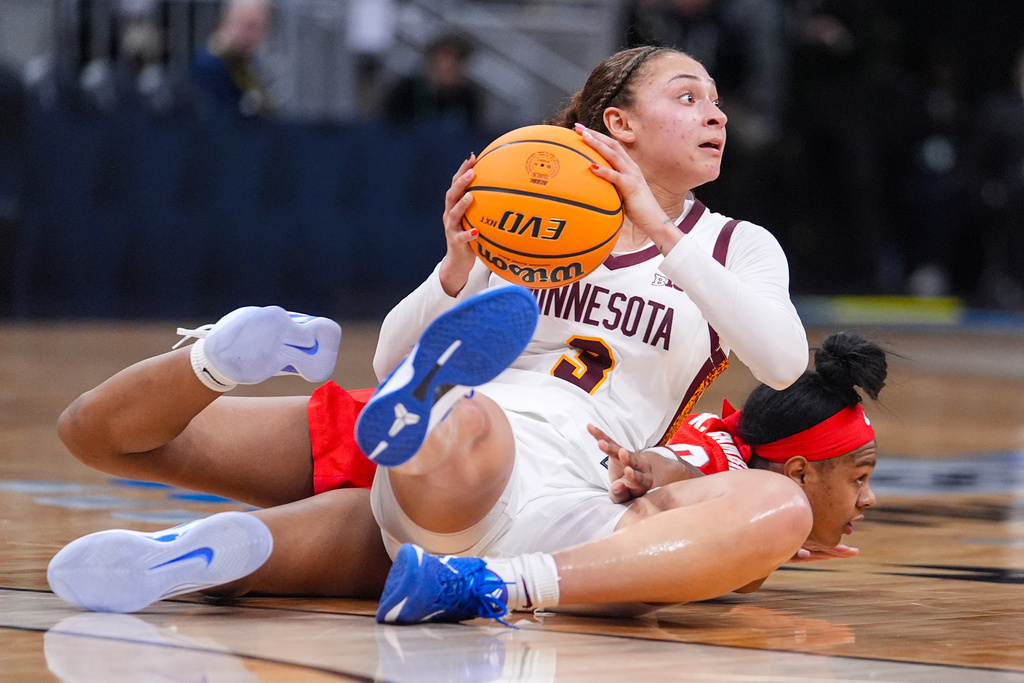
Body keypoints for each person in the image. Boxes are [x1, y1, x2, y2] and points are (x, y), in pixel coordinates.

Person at [48, 45, 810, 615]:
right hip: (485, 449)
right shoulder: (535, 220)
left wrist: (659, 229)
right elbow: (387, 360)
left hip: (582, 495)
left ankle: (474, 578)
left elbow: (780, 361)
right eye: (688, 97)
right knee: (465, 419)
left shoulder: (734, 245)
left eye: (717, 101)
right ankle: (429, 418)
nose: (717, 113)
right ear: (619, 124)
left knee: (781, 507)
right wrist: (454, 267)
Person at [187, 0, 275, 118]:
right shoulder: (207, 65)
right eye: (248, 26)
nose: (252, 36)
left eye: (260, 28)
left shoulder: (247, 65)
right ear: (226, 23)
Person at [382, 32, 484, 130]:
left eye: (458, 58)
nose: (451, 64)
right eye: (445, 55)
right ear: (431, 60)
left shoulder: (469, 98)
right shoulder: (406, 91)